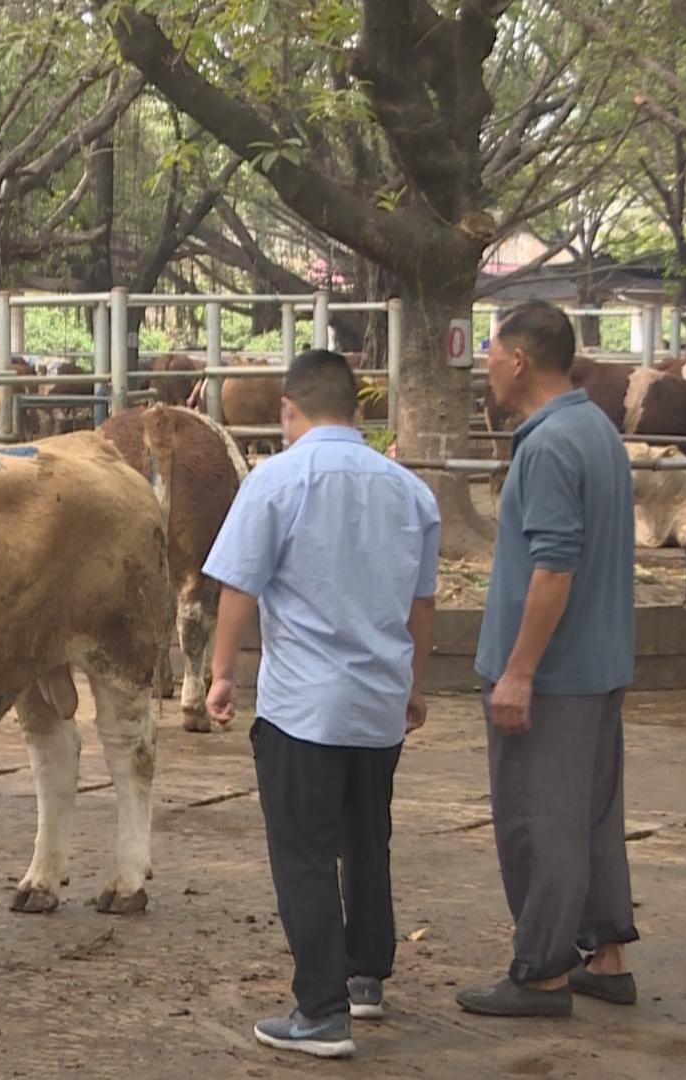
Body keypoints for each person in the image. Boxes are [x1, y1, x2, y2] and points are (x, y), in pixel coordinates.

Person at [204, 349, 440, 1060]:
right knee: (367, 839)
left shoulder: (275, 480)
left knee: (303, 851)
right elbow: (422, 602)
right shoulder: (410, 492)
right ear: (358, 410)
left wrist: (221, 674)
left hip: (304, 707)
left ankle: (320, 1009)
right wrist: (415, 685)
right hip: (377, 702)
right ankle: (365, 975)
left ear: (287, 410)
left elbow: (238, 587)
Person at [457, 299, 639, 1018]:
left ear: (521, 360)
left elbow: (554, 567)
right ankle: (607, 954)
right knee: (591, 815)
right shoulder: (595, 430)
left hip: (553, 675)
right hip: (599, 665)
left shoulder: (548, 445)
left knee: (539, 820)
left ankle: (541, 973)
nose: (486, 368)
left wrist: (520, 670)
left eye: (491, 355)